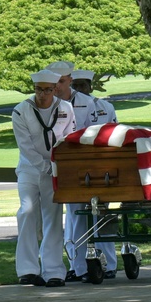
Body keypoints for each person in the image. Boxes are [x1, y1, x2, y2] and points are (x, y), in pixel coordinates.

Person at [12, 69, 76, 287]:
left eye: (47, 90)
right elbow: (26, 147)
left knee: (53, 217)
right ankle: (27, 269)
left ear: (55, 89)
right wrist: (45, 167)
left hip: (55, 169)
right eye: (39, 90)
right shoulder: (21, 111)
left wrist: (60, 166)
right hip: (29, 170)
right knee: (27, 212)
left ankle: (54, 270)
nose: (43, 95)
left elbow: (69, 138)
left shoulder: (65, 108)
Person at [48, 60, 100, 280]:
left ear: (69, 80)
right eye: (54, 82)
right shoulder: (46, 104)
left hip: (82, 164)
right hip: (56, 164)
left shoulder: (88, 103)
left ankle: (83, 265)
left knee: (83, 215)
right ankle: (74, 265)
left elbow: (95, 132)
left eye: (61, 81)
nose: (57, 86)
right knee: (68, 217)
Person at [71, 70, 119, 277]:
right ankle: (78, 267)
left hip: (101, 168)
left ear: (90, 86)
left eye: (84, 85)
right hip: (75, 169)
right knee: (76, 220)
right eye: (76, 85)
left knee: (102, 217)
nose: (80, 90)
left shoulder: (105, 107)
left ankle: (109, 264)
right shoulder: (65, 107)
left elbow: (114, 133)